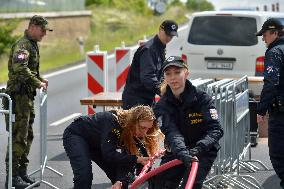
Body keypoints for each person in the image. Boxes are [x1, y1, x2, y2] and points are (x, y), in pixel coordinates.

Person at [151, 56, 224, 189]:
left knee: (190, 185)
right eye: (168, 74)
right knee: (159, 183)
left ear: (186, 73)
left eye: (177, 72)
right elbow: (172, 132)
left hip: (203, 150)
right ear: (164, 78)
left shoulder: (202, 99)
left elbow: (216, 129)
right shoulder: (161, 106)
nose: (173, 77)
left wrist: (199, 148)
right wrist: (182, 152)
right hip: (177, 150)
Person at [2, 15, 52, 189]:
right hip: (18, 96)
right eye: (42, 30)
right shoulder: (23, 45)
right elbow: (20, 69)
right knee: (18, 137)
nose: (44, 34)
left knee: (27, 136)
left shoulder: (32, 44)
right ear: (32, 26)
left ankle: (22, 172)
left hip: (27, 97)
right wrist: (37, 82)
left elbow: (29, 70)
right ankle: (13, 177)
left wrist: (39, 78)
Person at [63, 105, 163, 189]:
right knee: (84, 175)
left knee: (122, 180)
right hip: (77, 135)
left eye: (148, 129)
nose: (145, 132)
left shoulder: (137, 132)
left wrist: (120, 181)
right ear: (133, 122)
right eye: (142, 128)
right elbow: (109, 155)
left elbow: (125, 161)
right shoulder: (113, 123)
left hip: (98, 143)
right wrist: (136, 159)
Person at [122, 20, 178, 110]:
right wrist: (162, 90)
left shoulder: (160, 48)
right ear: (160, 30)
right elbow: (147, 77)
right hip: (136, 99)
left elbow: (159, 73)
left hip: (146, 98)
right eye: (167, 34)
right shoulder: (149, 49)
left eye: (171, 36)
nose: (169, 38)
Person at [256, 18, 284, 189]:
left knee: (278, 155)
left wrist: (261, 109)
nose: (263, 39)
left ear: (274, 33)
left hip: (280, 115)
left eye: (265, 35)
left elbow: (271, 83)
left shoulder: (274, 52)